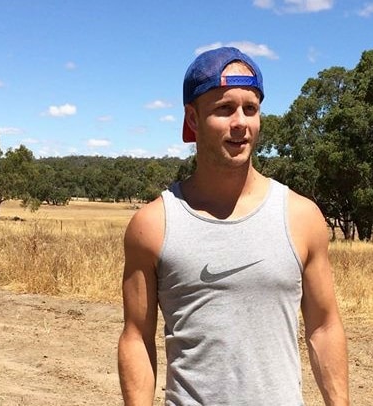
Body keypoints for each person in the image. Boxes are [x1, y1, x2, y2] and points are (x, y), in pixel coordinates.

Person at [118, 46, 349, 405]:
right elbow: (136, 337)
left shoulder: (301, 217)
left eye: (250, 109)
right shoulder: (154, 225)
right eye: (224, 109)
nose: (240, 122)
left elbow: (324, 326)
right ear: (192, 119)